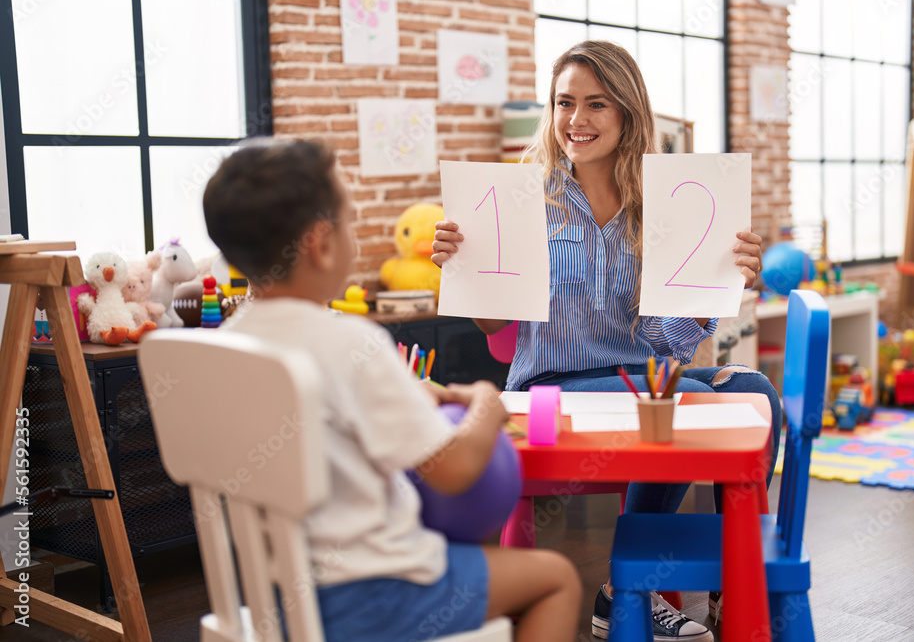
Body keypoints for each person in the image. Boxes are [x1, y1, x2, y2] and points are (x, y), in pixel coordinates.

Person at [432, 41, 782, 641]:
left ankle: (729, 588)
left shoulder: (663, 205)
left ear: (627, 112)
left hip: (640, 385)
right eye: (565, 103)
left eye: (597, 104)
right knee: (680, 404)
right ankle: (627, 590)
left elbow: (665, 346)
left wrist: (715, 289)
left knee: (753, 391)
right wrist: (461, 273)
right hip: (548, 393)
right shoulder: (524, 198)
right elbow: (496, 329)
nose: (577, 120)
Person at [202, 139, 582, 642]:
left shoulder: (225, 347)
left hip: (274, 597)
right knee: (556, 580)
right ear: (320, 243)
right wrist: (489, 406)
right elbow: (455, 472)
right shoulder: (350, 341)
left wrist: (408, 398)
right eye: (350, 222)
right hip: (373, 593)